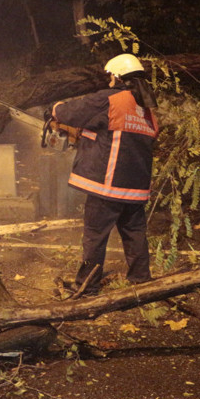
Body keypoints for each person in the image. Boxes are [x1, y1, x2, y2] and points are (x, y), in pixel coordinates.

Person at [51, 53, 160, 295]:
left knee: (95, 236)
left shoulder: (112, 99)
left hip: (108, 185)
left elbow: (71, 113)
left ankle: (87, 288)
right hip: (135, 188)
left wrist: (56, 109)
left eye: (111, 76)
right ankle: (141, 283)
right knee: (135, 235)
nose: (109, 80)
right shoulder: (147, 110)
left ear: (118, 76)